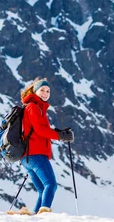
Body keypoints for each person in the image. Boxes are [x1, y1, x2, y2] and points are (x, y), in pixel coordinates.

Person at [19, 77, 74, 214]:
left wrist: (58, 132)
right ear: (35, 91)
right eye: (42, 90)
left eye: (48, 91)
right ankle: (44, 213)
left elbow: (39, 129)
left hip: (28, 157)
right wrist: (61, 136)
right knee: (51, 185)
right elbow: (41, 130)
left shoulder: (36, 107)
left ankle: (34, 216)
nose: (45, 93)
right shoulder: (33, 107)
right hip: (35, 155)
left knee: (43, 189)